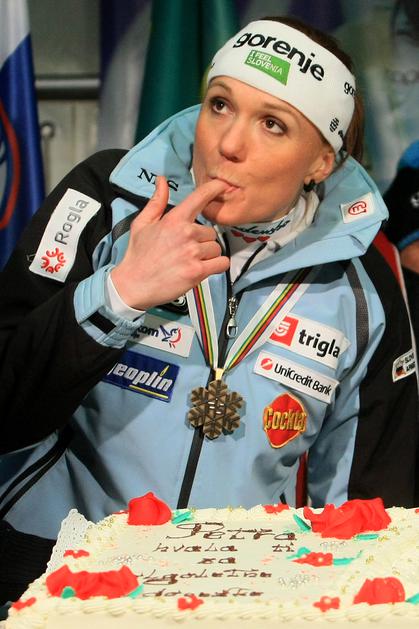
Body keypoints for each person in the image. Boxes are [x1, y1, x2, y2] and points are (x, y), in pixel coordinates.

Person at [0, 16, 417, 606]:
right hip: (49, 579)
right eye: (220, 105)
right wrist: (120, 292)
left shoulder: (363, 282)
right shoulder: (104, 201)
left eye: (272, 124)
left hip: (239, 598)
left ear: (321, 162)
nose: (228, 144)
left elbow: (369, 513)